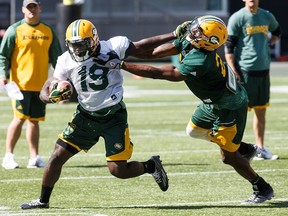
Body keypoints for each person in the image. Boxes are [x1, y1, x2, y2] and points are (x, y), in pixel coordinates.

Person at [96, 15, 275, 204]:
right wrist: (122, 54)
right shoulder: (194, 43)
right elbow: (154, 52)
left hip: (228, 106)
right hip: (212, 102)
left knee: (228, 157)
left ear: (209, 41)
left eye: (199, 31)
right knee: (194, 131)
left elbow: (164, 73)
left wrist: (121, 65)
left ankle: (262, 187)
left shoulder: (201, 60)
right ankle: (245, 148)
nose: (192, 32)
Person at [20, 19, 170, 209]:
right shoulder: (65, 60)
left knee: (118, 170)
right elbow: (47, 87)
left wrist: (174, 34)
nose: (78, 49)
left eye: (82, 44)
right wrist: (49, 98)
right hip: (86, 116)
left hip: (113, 116)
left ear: (94, 40)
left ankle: (151, 166)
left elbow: (142, 46)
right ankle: (43, 201)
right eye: (74, 45)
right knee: (57, 156)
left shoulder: (113, 46)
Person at [0, 0, 62, 169]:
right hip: (19, 85)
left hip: (41, 86)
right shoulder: (15, 30)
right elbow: (3, 55)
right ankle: (8, 156)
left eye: (34, 6)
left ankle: (34, 158)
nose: (32, 10)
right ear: (23, 10)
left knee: (34, 121)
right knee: (19, 119)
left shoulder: (48, 31)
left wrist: (61, 78)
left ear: (40, 8)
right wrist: (2, 75)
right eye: (29, 7)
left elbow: (57, 57)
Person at [224, 0, 281, 160]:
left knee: (261, 111)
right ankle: (232, 149)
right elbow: (229, 46)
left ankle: (260, 149)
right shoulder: (237, 17)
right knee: (237, 114)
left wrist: (269, 43)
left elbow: (277, 31)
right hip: (244, 72)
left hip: (263, 71)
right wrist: (234, 71)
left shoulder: (267, 16)